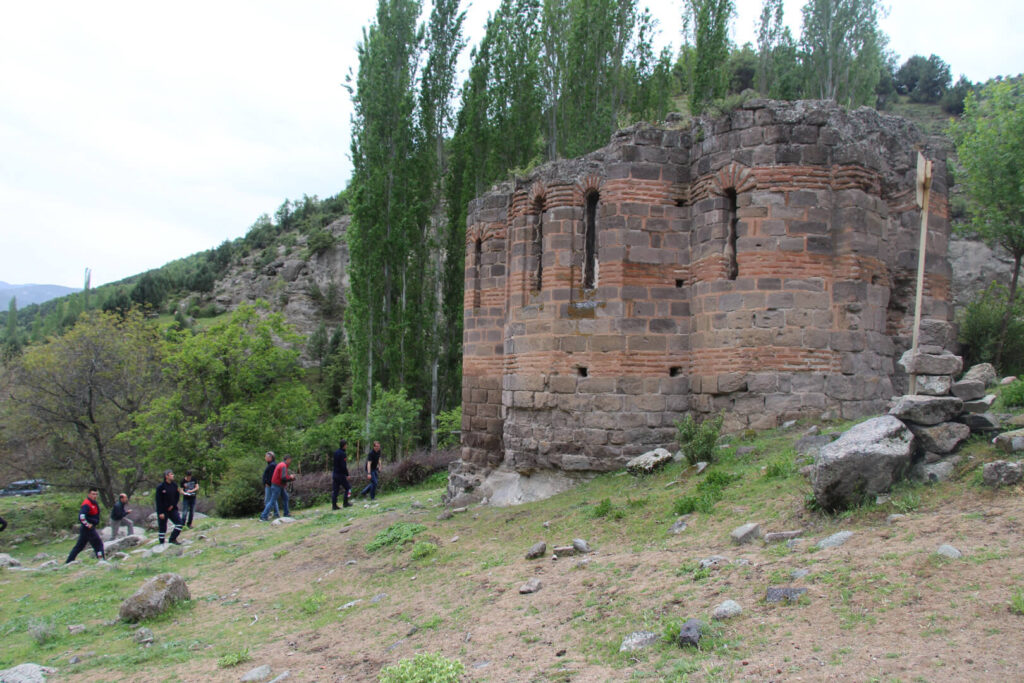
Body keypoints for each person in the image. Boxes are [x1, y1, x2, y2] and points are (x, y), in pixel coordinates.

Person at [65, 487, 105, 563]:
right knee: (98, 544)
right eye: (93, 494)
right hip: (88, 529)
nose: (95, 496)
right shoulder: (87, 504)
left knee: (79, 546)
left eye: (96, 494)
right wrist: (88, 524)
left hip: (87, 529)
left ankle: (69, 561)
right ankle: (101, 560)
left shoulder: (94, 503)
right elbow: (81, 516)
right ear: (89, 494)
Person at [260, 455, 295, 521]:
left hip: (279, 485)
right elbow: (283, 478)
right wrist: (290, 477)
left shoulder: (281, 464)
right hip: (277, 485)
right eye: (290, 460)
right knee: (272, 501)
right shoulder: (283, 466)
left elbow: (282, 477)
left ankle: (286, 513)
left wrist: (290, 478)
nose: (290, 461)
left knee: (285, 498)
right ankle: (263, 516)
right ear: (287, 459)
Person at [155, 469, 184, 545]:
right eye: (171, 474)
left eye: (172, 474)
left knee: (179, 523)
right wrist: (160, 512)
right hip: (163, 510)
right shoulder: (160, 487)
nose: (173, 475)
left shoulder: (174, 485)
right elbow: (158, 501)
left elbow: (177, 497)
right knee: (163, 528)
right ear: (166, 476)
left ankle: (172, 539)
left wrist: (173, 505)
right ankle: (161, 544)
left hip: (172, 509)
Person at [331, 438, 352, 510]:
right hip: (340, 474)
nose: (347, 446)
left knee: (335, 490)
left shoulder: (336, 452)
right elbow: (343, 466)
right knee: (348, 488)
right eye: (346, 445)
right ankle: (345, 502)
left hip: (335, 474)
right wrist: (347, 474)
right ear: (344, 445)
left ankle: (334, 505)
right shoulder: (343, 454)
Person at [262, 451, 280, 519]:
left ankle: (266, 514)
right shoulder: (271, 465)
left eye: (266, 457)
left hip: (270, 485)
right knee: (273, 500)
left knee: (267, 500)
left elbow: (271, 476)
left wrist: (268, 483)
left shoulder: (272, 465)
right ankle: (276, 514)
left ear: (271, 458)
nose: (265, 458)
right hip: (270, 485)